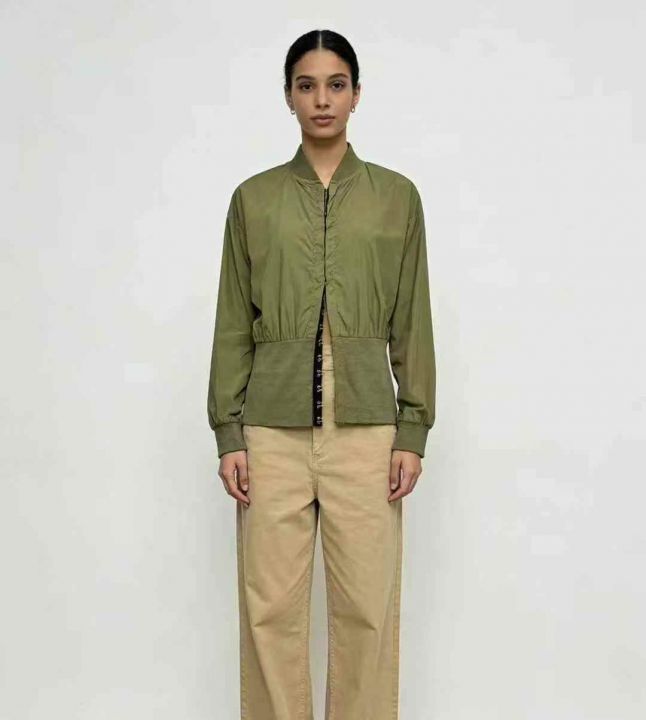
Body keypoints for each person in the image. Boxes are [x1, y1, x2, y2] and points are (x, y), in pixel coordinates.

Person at [207, 28, 436, 720]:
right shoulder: (254, 199)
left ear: (357, 94)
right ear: (288, 97)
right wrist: (229, 432)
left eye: (336, 85)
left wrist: (413, 428)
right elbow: (232, 321)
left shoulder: (397, 197)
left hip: (367, 429)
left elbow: (413, 317)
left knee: (367, 608)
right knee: (269, 611)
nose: (322, 100)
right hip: (270, 430)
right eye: (306, 86)